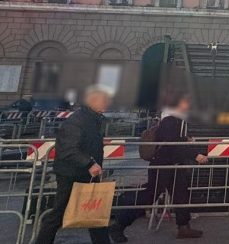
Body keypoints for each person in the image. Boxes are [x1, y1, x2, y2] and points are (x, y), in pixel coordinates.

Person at [110, 93, 208, 242]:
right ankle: (119, 224)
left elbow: (173, 141)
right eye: (186, 102)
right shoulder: (170, 120)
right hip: (163, 166)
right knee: (149, 196)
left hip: (172, 165)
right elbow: (171, 145)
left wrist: (185, 140)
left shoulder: (175, 119)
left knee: (180, 195)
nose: (189, 105)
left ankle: (184, 227)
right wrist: (195, 155)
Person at [35, 85, 113, 244]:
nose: (107, 104)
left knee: (94, 214)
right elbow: (68, 148)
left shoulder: (91, 119)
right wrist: (90, 163)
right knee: (58, 214)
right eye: (104, 100)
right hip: (72, 174)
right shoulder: (78, 120)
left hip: (85, 173)